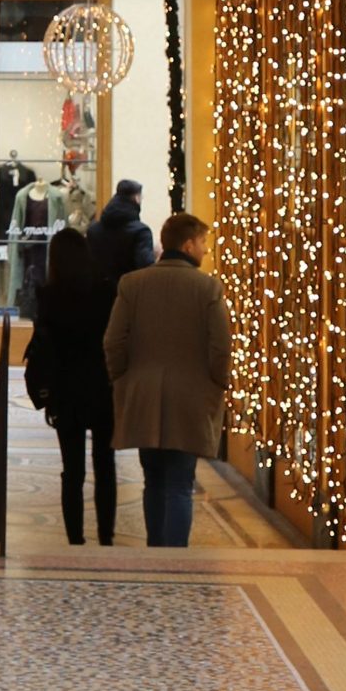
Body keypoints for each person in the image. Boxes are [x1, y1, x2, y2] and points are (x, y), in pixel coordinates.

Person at [103, 209, 231, 548]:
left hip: (143, 395)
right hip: (190, 399)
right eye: (203, 242)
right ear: (188, 245)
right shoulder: (208, 288)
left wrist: (123, 379)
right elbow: (221, 346)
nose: (206, 249)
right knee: (179, 484)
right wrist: (219, 382)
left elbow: (113, 341)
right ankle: (174, 559)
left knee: (154, 481)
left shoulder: (133, 283)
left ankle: (154, 551)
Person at [24, 225, 118, 545]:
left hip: (65, 391)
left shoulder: (49, 295)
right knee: (105, 465)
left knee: (72, 470)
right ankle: (106, 536)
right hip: (102, 387)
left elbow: (45, 347)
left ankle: (75, 539)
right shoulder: (106, 291)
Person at [87, 178, 156, 289]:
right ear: (137, 198)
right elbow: (146, 269)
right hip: (129, 295)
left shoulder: (93, 230)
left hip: (97, 296)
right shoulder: (141, 232)